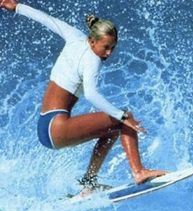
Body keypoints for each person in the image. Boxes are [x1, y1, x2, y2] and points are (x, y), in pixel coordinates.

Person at [0, 0, 166, 194]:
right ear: (93, 41)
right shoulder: (92, 60)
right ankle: (139, 172)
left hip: (46, 126)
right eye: (106, 47)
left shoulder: (75, 37)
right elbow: (91, 94)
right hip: (56, 128)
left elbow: (47, 20)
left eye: (113, 47)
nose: (109, 53)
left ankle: (89, 183)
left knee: (111, 129)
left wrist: (17, 7)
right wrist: (123, 116)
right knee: (122, 118)